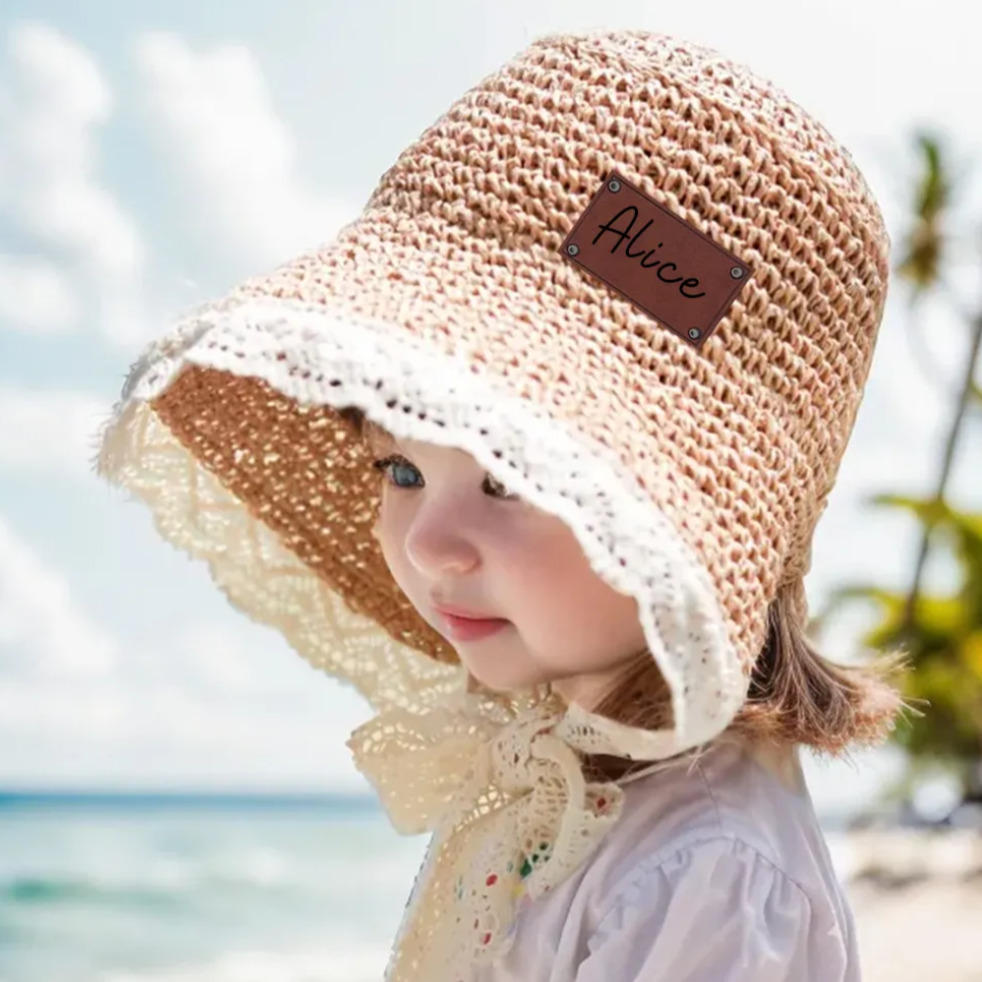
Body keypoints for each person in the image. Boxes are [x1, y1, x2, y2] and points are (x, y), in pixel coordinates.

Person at [93, 28, 911, 982]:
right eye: (398, 471)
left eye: (510, 482)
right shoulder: (563, 789)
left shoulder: (706, 868)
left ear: (682, 525)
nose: (432, 544)